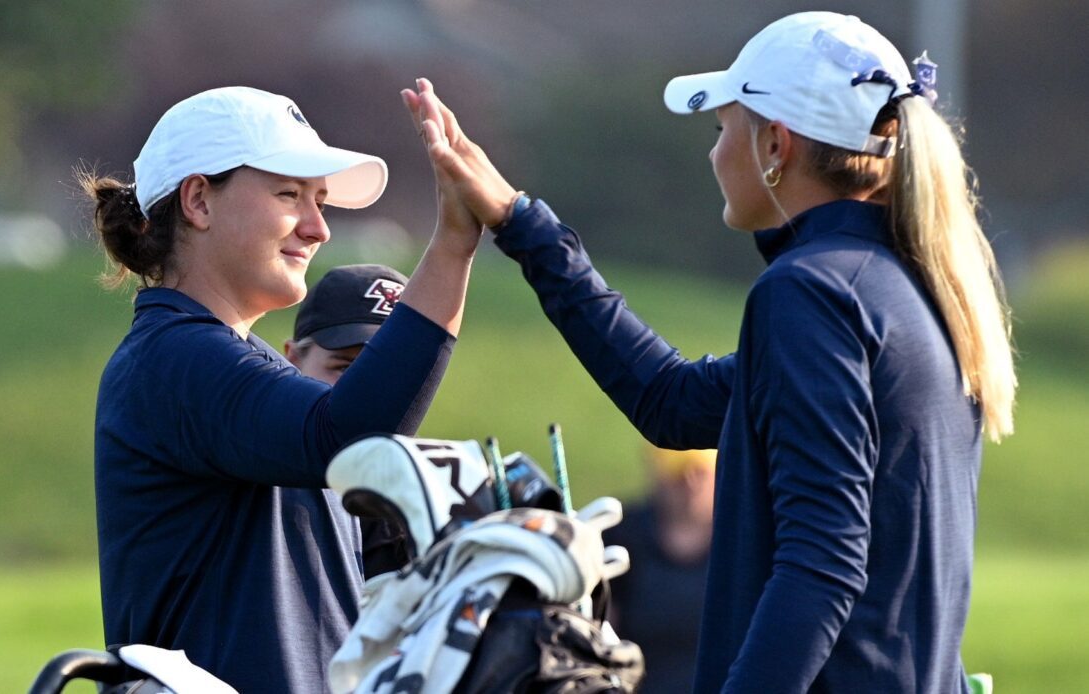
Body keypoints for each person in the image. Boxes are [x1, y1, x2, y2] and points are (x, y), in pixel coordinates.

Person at [401, 9, 1017, 692]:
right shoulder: (909, 286)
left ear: (776, 145)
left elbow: (822, 566)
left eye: (722, 129)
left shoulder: (810, 294)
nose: (714, 154)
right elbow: (672, 403)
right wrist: (519, 222)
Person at [82, 85, 481, 693]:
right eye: (290, 194)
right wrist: (453, 244)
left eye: (320, 201)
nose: (318, 227)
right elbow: (346, 439)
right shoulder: (172, 358)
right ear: (198, 200)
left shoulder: (230, 360)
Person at [284, 263, 413, 577]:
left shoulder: (424, 503)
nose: (369, 389)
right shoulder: (261, 485)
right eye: (345, 367)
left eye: (393, 372)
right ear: (292, 359)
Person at [603, 445, 715, 692]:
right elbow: (601, 640)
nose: (690, 483)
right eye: (679, 473)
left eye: (700, 472)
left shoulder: (748, 540)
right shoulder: (622, 536)